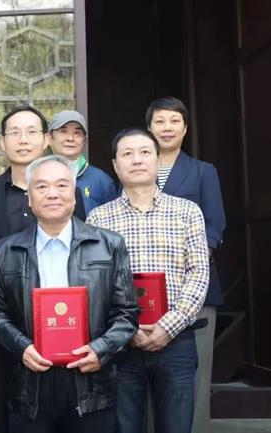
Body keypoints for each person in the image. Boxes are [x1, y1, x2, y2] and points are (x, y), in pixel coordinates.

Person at [0, 155, 139, 433]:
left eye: (62, 185)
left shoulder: (109, 245)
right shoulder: (4, 251)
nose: (52, 194)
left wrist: (100, 349)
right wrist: (21, 347)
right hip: (29, 384)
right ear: (29, 198)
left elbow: (127, 312)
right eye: (41, 187)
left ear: (74, 195)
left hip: (90, 383)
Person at [0, 105, 86, 433]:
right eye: (14, 133)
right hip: (3, 325)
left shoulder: (65, 192)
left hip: (61, 323)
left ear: (45, 140)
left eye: (32, 132)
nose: (23, 140)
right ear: (2, 142)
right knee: (7, 413)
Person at [86, 127, 209, 433]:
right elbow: (95, 283)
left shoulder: (187, 212)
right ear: (115, 165)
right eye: (127, 154)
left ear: (158, 160)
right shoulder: (98, 219)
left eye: (144, 152)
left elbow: (198, 273)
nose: (137, 160)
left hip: (177, 340)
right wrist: (127, 329)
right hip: (120, 344)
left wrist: (168, 326)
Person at [145, 97, 226, 433]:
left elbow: (214, 226)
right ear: (149, 128)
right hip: (145, 291)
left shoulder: (203, 171)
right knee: (146, 377)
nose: (167, 128)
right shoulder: (136, 168)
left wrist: (189, 272)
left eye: (174, 121)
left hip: (195, 290)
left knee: (194, 378)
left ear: (185, 128)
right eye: (160, 121)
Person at [48, 110, 117, 213]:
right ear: (49, 138)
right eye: (63, 131)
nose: (70, 138)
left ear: (84, 140)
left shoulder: (101, 181)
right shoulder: (36, 176)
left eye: (77, 133)